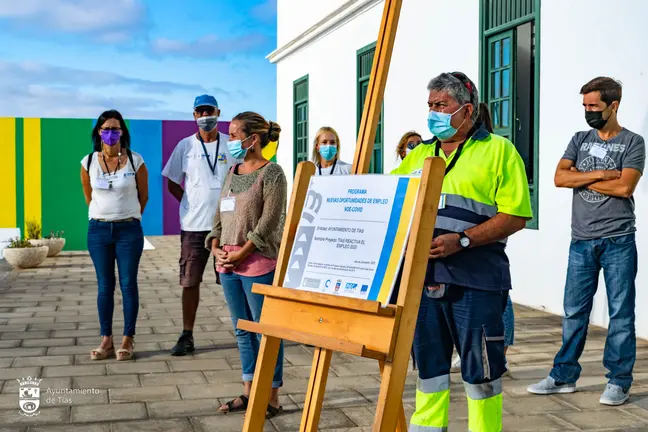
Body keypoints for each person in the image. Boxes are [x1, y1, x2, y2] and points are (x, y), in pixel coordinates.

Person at [391, 72, 532, 431]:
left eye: (441, 106)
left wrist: (463, 239)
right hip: (423, 282)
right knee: (429, 372)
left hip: (477, 281)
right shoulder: (420, 154)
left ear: (466, 110)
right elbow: (392, 200)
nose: (433, 113)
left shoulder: (499, 151)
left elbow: (515, 214)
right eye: (430, 106)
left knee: (481, 374)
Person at [527, 77, 645, 406]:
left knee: (621, 313)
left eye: (594, 106)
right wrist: (602, 174)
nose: (588, 111)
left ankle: (619, 381)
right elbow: (558, 177)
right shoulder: (579, 138)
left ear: (614, 105)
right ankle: (563, 376)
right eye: (585, 106)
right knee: (574, 312)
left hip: (618, 239)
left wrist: (581, 178)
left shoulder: (633, 143)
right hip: (581, 240)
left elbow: (625, 189)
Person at [205, 111, 287, 418]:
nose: (231, 140)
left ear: (253, 139)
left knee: (266, 330)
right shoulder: (232, 171)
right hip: (227, 263)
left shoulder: (273, 173)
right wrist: (215, 246)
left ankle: (272, 396)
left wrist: (245, 250)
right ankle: (250, 391)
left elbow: (270, 221)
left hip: (258, 262)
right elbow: (219, 215)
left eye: (236, 134)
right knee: (242, 329)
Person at [162, 94, 239, 356]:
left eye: (209, 111)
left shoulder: (231, 144)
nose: (205, 116)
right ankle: (187, 334)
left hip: (228, 225)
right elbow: (172, 179)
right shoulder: (185, 146)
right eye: (200, 111)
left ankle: (243, 330)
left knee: (230, 279)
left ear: (218, 112)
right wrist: (187, 200)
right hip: (194, 225)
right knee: (189, 281)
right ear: (194, 115)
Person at [450, 102, 516, 374]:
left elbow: (511, 211)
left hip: (484, 243)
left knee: (498, 299)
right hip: (461, 247)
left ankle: (497, 351)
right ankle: (475, 350)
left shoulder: (496, 150)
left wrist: (471, 235)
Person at [80, 109, 148, 361]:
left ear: (122, 132)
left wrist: (127, 216)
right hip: (98, 231)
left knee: (128, 285)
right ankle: (106, 339)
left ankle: (128, 339)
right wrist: (105, 216)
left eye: (115, 129)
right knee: (104, 286)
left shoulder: (135, 160)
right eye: (106, 128)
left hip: (128, 230)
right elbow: (89, 197)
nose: (110, 133)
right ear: (98, 131)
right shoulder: (87, 162)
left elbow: (144, 196)